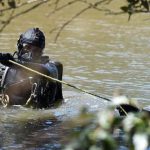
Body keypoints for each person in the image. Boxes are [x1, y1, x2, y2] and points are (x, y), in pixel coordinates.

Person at [0, 28, 63, 108]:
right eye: (28, 47)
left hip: (41, 117)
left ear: (41, 52)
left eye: (36, 50)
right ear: (20, 47)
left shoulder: (52, 68)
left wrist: (14, 63)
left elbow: (42, 71)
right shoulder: (5, 70)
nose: (31, 54)